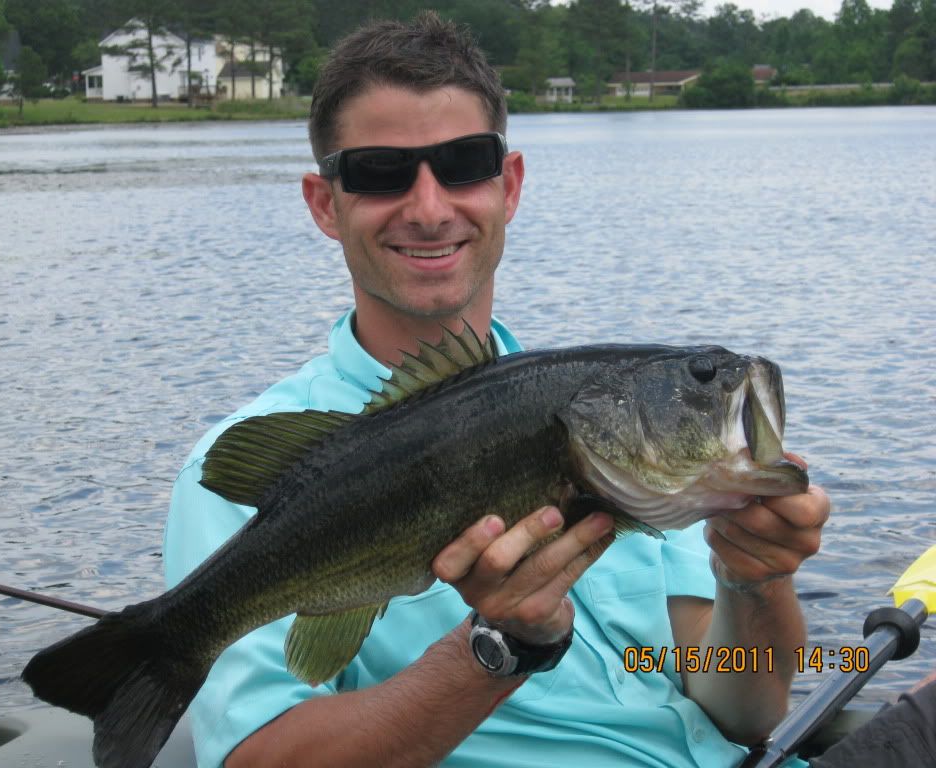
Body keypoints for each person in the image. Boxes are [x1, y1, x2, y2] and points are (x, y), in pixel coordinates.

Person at [163, 13, 837, 768]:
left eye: (463, 163)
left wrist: (755, 579)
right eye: (382, 172)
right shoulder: (259, 466)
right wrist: (497, 649)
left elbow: (743, 706)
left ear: (508, 185)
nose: (428, 207)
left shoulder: (630, 444)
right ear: (326, 203)